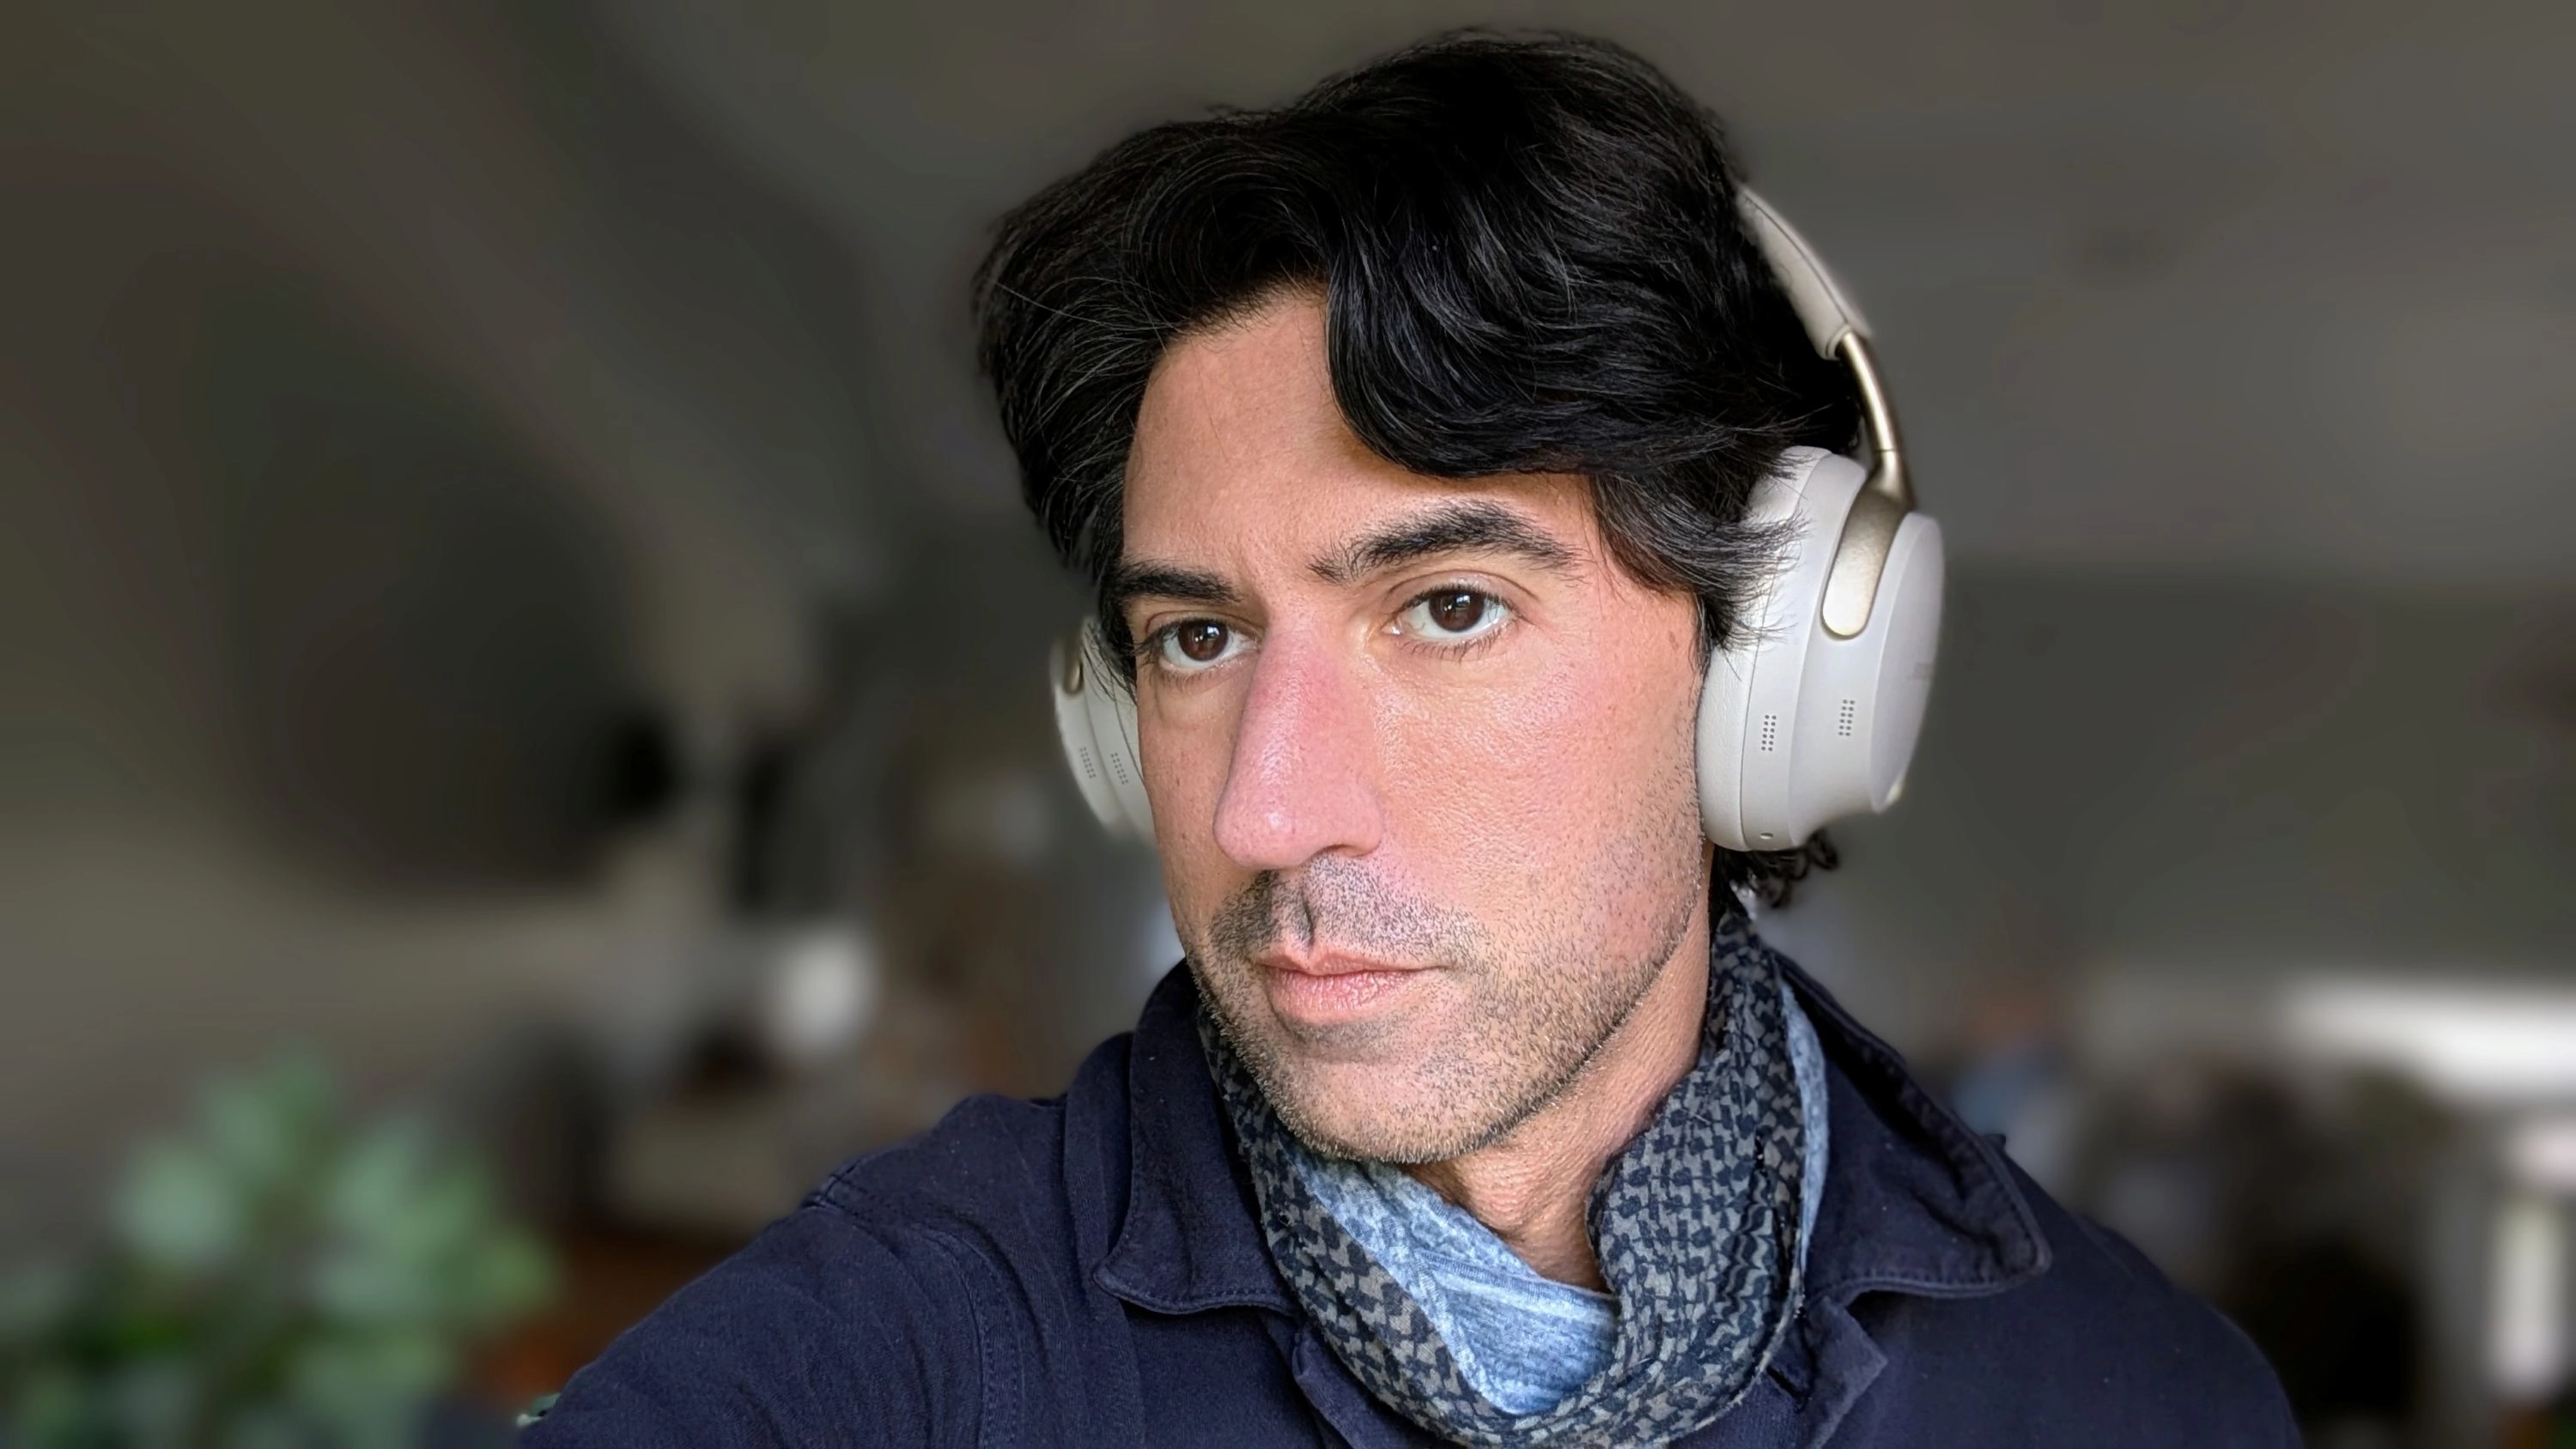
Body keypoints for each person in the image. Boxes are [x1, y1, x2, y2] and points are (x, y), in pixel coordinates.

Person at [525, 30, 2295, 1446]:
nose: (1268, 808)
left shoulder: (2147, 1402)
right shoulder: (914, 1333)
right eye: (1198, 637)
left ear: (1765, 670)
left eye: (1448, 606)